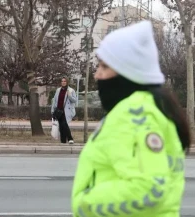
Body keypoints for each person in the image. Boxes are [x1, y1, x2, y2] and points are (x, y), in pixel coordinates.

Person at [71, 21, 190, 217]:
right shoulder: (152, 109)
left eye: (104, 67)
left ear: (128, 72)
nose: (97, 74)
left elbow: (150, 190)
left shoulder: (135, 115)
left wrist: (84, 204)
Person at [51, 77, 77, 144]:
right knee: (61, 126)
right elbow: (55, 100)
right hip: (58, 111)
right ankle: (63, 141)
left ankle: (70, 138)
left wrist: (69, 95)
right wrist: (52, 110)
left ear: (67, 82)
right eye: (62, 81)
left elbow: (75, 100)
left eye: (65, 81)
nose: (63, 82)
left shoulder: (71, 90)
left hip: (66, 111)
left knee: (64, 125)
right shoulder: (58, 90)